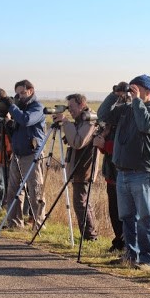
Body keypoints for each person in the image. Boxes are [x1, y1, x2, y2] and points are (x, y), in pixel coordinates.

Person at [97, 75, 150, 269]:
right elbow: (103, 115)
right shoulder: (125, 110)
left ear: (148, 92)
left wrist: (136, 102)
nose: (133, 91)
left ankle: (146, 259)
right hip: (122, 172)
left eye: (137, 88)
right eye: (131, 88)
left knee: (144, 218)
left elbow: (146, 125)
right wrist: (114, 94)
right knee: (126, 216)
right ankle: (130, 255)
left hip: (142, 172)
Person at [0, 80, 46, 230]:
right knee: (13, 190)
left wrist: (11, 106)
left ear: (31, 90)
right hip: (17, 154)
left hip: (32, 154)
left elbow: (26, 120)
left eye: (22, 93)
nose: (20, 96)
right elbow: (18, 127)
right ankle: (14, 223)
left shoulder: (37, 107)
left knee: (35, 190)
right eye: (18, 94)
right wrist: (8, 123)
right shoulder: (20, 108)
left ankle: (38, 224)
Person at [53, 93, 99, 241]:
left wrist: (66, 123)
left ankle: (90, 236)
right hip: (79, 167)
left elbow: (79, 142)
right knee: (83, 202)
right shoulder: (80, 120)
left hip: (84, 168)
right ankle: (89, 235)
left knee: (81, 203)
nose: (70, 110)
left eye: (72, 107)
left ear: (81, 105)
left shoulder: (89, 119)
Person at [92, 121, 125, 252]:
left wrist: (105, 144)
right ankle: (119, 241)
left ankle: (124, 243)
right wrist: (103, 137)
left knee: (123, 214)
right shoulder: (111, 127)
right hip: (111, 176)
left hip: (120, 175)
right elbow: (104, 150)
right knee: (114, 212)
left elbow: (123, 149)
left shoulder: (124, 125)